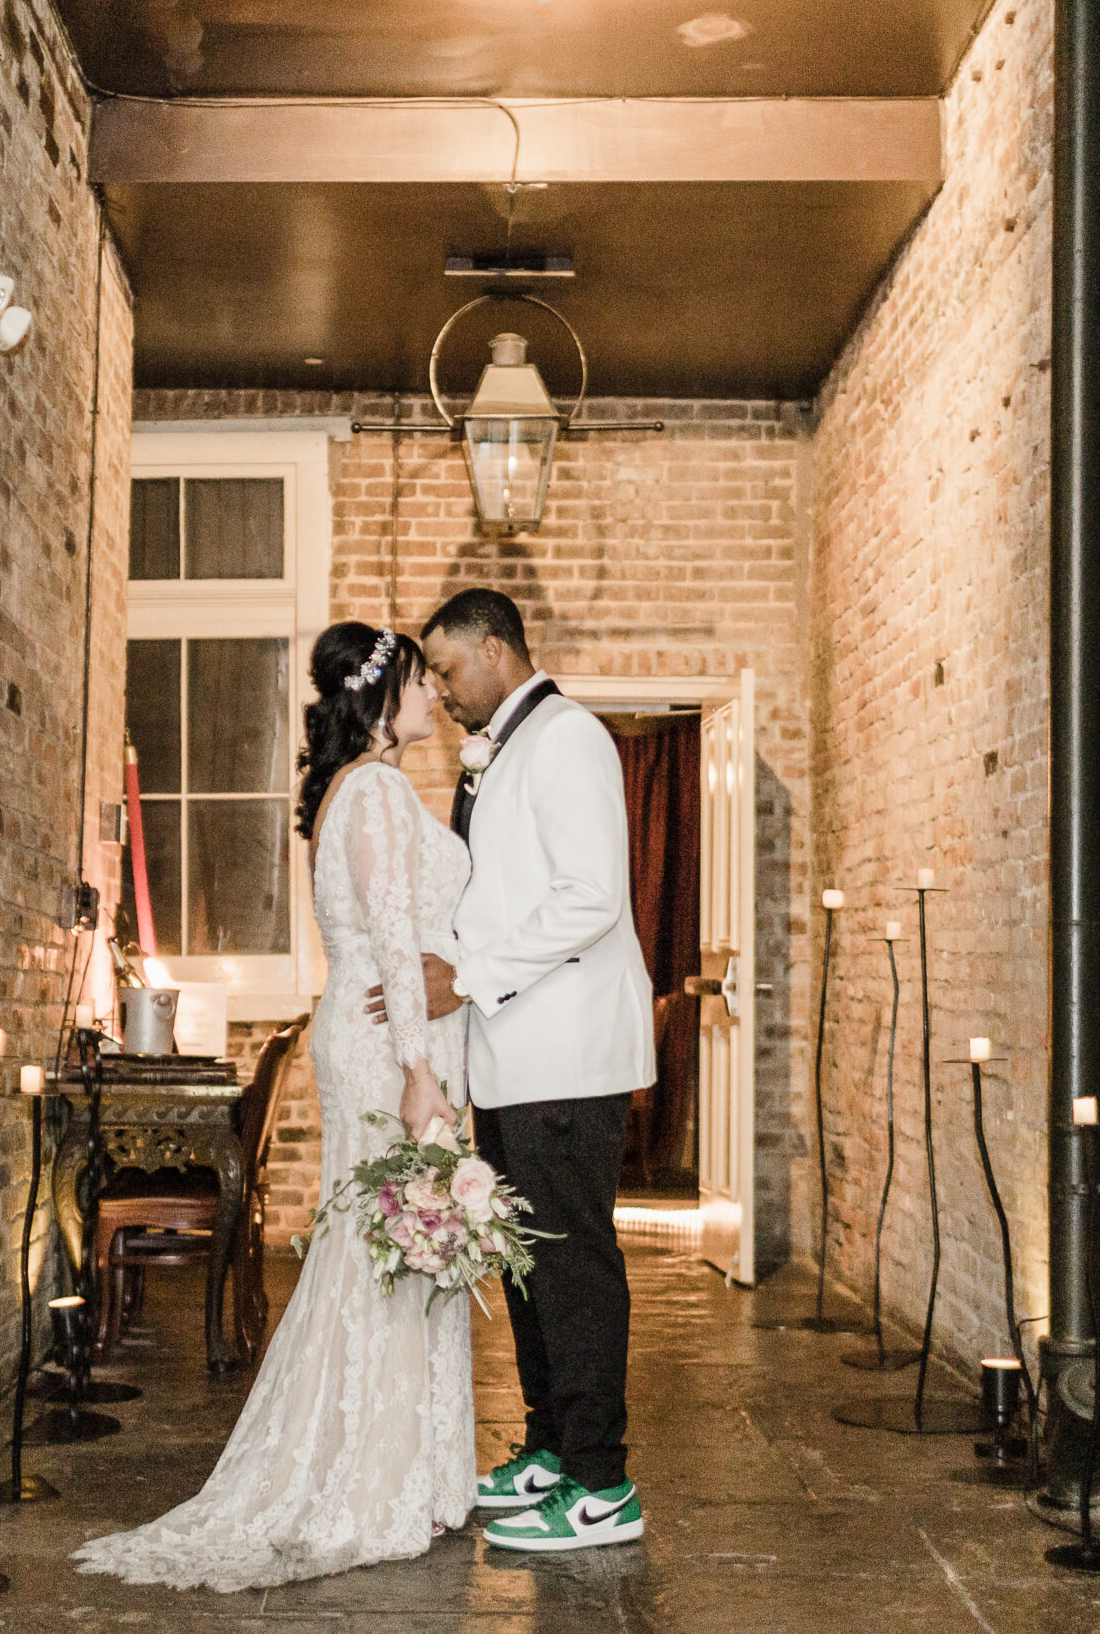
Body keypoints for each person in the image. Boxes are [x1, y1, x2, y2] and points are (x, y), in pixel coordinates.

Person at [72, 622, 473, 1591]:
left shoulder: (357, 789)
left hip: (382, 1032)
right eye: (421, 681)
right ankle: (367, 1478)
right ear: (383, 698)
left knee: (385, 1244)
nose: (433, 696)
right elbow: (386, 939)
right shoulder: (373, 790)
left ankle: (407, 1467)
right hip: (388, 1045)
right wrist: (421, 1073)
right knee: (391, 1243)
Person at [385, 586, 655, 1552]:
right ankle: (547, 1446)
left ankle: (600, 1482)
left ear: (496, 650)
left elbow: (591, 896)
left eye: (450, 669)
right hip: (512, 1059)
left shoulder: (568, 736)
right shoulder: (504, 745)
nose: (445, 691)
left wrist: (469, 978)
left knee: (575, 1264)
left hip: (566, 1057)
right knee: (529, 1265)